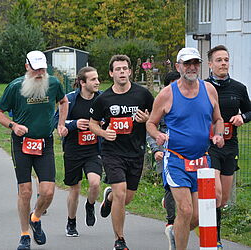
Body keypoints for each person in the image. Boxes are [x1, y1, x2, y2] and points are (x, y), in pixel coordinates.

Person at [147, 47, 224, 250]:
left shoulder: (209, 90)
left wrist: (218, 134)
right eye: (187, 63)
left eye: (195, 63)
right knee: (185, 209)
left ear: (199, 65)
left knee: (196, 216)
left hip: (201, 161)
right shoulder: (166, 94)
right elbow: (150, 123)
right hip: (176, 159)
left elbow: (218, 119)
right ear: (178, 66)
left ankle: (175, 231)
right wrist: (158, 136)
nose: (191, 67)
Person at [0, 50, 69, 250]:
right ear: (27, 67)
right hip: (22, 144)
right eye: (35, 69)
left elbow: (63, 101)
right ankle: (25, 234)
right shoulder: (15, 87)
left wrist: (61, 124)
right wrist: (13, 126)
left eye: (42, 68)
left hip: (45, 143)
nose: (39, 73)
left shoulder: (53, 83)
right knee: (25, 191)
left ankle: (35, 217)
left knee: (48, 192)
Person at [89, 55, 154, 250]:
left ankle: (108, 198)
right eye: (118, 69)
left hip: (136, 151)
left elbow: (155, 117)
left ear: (130, 72)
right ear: (111, 73)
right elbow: (92, 124)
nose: (122, 72)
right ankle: (120, 240)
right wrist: (103, 132)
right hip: (112, 152)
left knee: (127, 197)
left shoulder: (143, 95)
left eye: (125, 68)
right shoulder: (104, 99)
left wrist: (147, 119)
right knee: (121, 192)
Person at [204, 45, 251, 249]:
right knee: (215, 193)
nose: (223, 63)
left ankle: (197, 219)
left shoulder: (238, 88)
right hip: (209, 146)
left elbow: (250, 112)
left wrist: (242, 116)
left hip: (230, 146)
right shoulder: (202, 87)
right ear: (210, 64)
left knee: (222, 199)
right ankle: (215, 238)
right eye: (219, 60)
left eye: (226, 59)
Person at [55, 66, 103, 237]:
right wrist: (74, 124)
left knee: (95, 183)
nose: (97, 82)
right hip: (73, 150)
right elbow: (57, 122)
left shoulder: (102, 98)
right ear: (82, 82)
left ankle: (90, 205)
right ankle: (71, 222)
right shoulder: (69, 100)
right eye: (93, 79)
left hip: (93, 150)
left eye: (97, 79)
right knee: (74, 189)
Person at [146, 71, 180, 247]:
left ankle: (168, 204)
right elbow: (150, 127)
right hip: (164, 152)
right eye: (173, 84)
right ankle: (171, 223)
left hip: (185, 153)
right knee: (170, 186)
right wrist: (156, 150)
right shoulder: (161, 102)